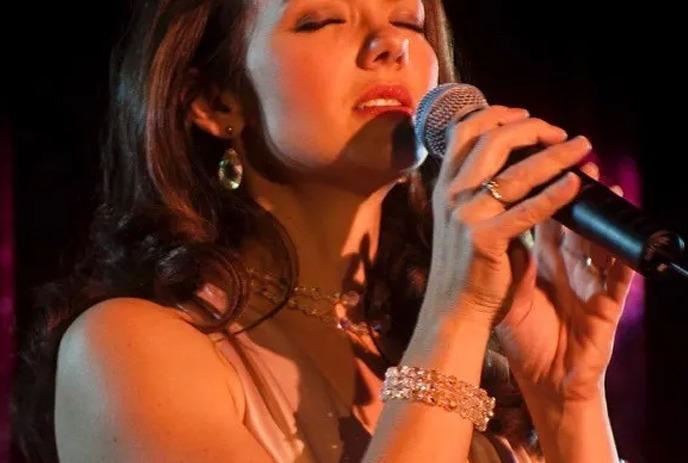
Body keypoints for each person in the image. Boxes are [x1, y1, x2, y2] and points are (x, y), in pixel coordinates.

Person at [11, 0, 635, 461]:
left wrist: (566, 397)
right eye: (322, 21)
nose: (389, 47)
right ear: (215, 103)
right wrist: (457, 311)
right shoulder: (127, 348)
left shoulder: (447, 335)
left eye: (408, 24)